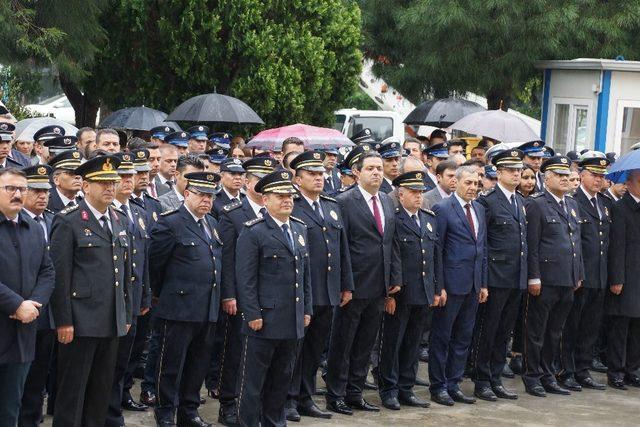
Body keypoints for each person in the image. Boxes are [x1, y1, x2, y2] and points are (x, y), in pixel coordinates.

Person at [50, 155, 132, 427]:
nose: (110, 188)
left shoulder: (118, 219)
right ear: (85, 186)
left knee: (100, 393)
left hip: (110, 321)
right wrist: (63, 320)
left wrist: (126, 313)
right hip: (80, 322)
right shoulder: (69, 221)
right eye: (102, 183)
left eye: (113, 182)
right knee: (73, 393)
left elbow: (125, 271)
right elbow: (60, 277)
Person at [325, 149, 402, 415]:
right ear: (356, 172)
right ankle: (336, 394)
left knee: (365, 345)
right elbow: (340, 246)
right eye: (370, 168)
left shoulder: (386, 200)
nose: (377, 173)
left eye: (379, 168)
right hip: (354, 285)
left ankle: (355, 392)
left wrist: (394, 278)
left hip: (379, 286)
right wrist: (344, 283)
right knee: (343, 343)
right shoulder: (344, 201)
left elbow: (391, 243)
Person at [235, 170, 312, 426]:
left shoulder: (299, 228)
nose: (287, 200)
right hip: (264, 320)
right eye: (280, 196)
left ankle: (274, 423)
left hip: (292, 320)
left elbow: (305, 275)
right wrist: (252, 313)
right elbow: (245, 279)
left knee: (281, 382)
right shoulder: (253, 232)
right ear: (265, 200)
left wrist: (307, 308)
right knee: (253, 383)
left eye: (289, 195)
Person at [149, 171, 222, 427]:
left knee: (197, 364)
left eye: (210, 196)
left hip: (206, 308)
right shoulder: (170, 223)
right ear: (187, 193)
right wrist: (162, 296)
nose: (206, 200)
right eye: (201, 194)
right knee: (170, 365)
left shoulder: (211, 223)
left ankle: (189, 411)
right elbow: (155, 267)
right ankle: (165, 410)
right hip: (178, 307)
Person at [286, 152, 354, 420]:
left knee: (315, 348)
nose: (318, 178)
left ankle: (305, 397)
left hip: (327, 289)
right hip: (303, 290)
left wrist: (346, 283)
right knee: (296, 348)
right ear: (298, 178)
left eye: (320, 174)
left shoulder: (331, 204)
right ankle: (288, 399)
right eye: (312, 174)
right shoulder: (291, 205)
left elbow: (342, 248)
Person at [214, 157, 274, 425]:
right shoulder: (232, 213)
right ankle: (228, 402)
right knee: (235, 352)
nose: (261, 185)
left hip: (270, 298)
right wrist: (229, 294)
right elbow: (226, 258)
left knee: (260, 356)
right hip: (240, 296)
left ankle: (255, 404)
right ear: (247, 182)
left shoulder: (275, 212)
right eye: (257, 179)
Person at [378, 171, 441, 410]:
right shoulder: (394, 219)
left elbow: (435, 256)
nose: (418, 196)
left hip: (423, 291)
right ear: (400, 194)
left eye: (420, 192)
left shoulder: (428, 217)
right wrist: (390, 294)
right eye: (413, 192)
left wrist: (436, 288)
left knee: (413, 344)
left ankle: (406, 388)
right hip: (402, 293)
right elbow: (391, 258)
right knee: (393, 343)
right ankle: (389, 389)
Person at [523, 155, 584, 397]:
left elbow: (575, 242)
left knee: (555, 332)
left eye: (566, 175)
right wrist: (534, 277)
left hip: (566, 278)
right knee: (537, 330)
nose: (565, 179)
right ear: (546, 179)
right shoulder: (537, 204)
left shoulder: (571, 204)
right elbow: (533, 244)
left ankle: (549, 375)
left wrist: (577, 273)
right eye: (559, 175)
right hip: (545, 279)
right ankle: (532, 376)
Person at [429, 166, 488, 406]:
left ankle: (453, 383)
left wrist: (483, 283)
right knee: (442, 337)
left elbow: (482, 249)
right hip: (450, 285)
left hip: (473, 285)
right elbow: (437, 249)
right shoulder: (442, 209)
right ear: (456, 182)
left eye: (476, 183)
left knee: (463, 338)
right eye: (468, 183)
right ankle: (438, 386)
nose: (473, 187)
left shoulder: (479, 209)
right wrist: (439, 286)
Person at [0, 168, 55, 426]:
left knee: (11, 406)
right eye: (10, 188)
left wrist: (34, 304)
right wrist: (16, 304)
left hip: (22, 334)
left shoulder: (33, 227)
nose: (18, 194)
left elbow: (47, 271)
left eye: (22, 189)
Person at [472, 150, 527, 402]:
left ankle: (495, 377)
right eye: (511, 170)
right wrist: (483, 281)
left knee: (504, 332)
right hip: (495, 277)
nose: (516, 174)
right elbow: (482, 244)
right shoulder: (488, 201)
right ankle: (482, 379)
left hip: (515, 277)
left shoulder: (520, 201)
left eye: (519, 170)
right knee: (489, 330)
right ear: (499, 172)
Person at [105, 154, 153, 426]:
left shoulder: (138, 211)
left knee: (127, 356)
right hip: (114, 299)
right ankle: (109, 412)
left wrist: (145, 293)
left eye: (130, 176)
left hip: (135, 298)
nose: (126, 181)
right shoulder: (107, 211)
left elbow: (142, 258)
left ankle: (121, 398)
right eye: (120, 177)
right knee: (111, 360)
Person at [558, 156, 610, 391]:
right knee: (572, 326)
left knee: (590, 327)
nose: (599, 180)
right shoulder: (573, 201)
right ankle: (566, 370)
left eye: (602, 176)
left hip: (599, 275)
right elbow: (575, 243)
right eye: (594, 175)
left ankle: (583, 369)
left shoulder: (604, 202)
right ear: (582, 175)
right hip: (581, 275)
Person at [17, 165, 57, 427]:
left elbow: (52, 269)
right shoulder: (14, 221)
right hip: (16, 310)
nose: (43, 196)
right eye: (36, 190)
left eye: (46, 190)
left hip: (46, 311)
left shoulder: (54, 220)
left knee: (38, 376)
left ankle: (31, 420)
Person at [606, 169, 640, 389]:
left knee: (638, 327)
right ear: (629, 183)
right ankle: (616, 371)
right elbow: (617, 246)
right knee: (621, 325)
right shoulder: (620, 208)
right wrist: (617, 278)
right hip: (626, 277)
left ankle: (633, 369)